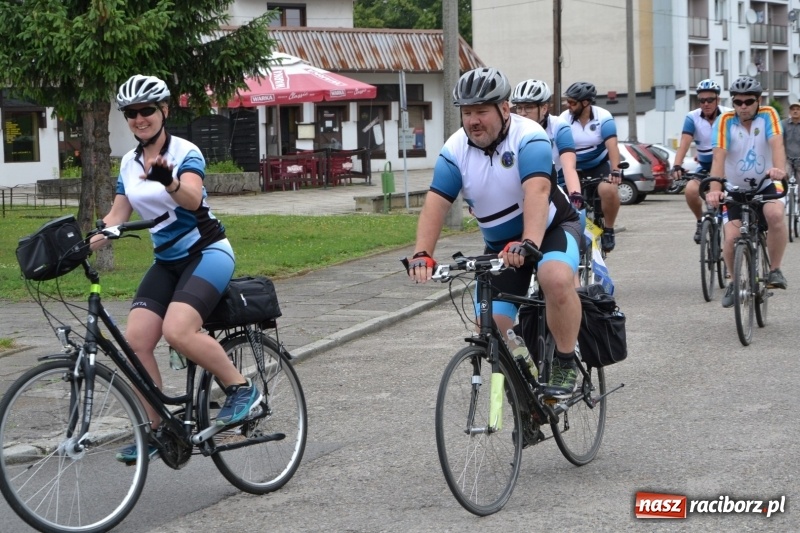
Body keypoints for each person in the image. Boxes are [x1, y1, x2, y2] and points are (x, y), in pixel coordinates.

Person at [90, 75, 262, 462]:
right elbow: (117, 216)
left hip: (207, 253)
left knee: (178, 330)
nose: (139, 118)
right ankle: (159, 433)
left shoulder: (186, 151)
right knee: (136, 341)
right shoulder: (129, 163)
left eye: (146, 110)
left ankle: (241, 388)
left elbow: (193, 198)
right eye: (131, 113)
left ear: (164, 110)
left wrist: (168, 180)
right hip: (167, 262)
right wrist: (81, 244)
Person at [406, 67, 583, 397]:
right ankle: (528, 391)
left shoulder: (529, 137)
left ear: (504, 109)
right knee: (492, 324)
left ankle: (564, 362)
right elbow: (436, 204)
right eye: (467, 112)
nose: (473, 120)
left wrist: (529, 243)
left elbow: (537, 192)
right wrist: (422, 253)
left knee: (556, 278)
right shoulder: (455, 150)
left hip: (551, 229)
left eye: (481, 111)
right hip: (501, 245)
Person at [705, 76, 788, 308]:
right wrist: (715, 190)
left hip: (766, 184)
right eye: (738, 102)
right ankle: (733, 281)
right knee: (731, 238)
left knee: (774, 215)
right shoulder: (724, 121)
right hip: (735, 188)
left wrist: (779, 170)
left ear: (758, 100)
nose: (743, 106)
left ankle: (775, 270)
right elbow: (718, 157)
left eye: (748, 101)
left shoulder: (768, 115)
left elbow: (777, 145)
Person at [559, 82, 623, 253]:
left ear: (586, 102)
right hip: (572, 167)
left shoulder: (603, 117)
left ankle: (608, 229)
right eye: (567, 101)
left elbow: (612, 146)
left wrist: (615, 170)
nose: (568, 105)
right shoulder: (564, 118)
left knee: (609, 190)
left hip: (598, 165)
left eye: (572, 102)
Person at [670, 79, 730, 243]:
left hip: (727, 165)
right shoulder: (692, 117)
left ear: (718, 99)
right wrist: (677, 165)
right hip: (704, 165)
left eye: (710, 100)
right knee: (690, 190)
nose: (706, 104)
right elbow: (684, 143)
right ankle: (700, 220)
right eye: (702, 100)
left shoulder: (729, 115)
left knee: (732, 197)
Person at [781, 102, 800, 179]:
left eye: (798, 109)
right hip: (787, 159)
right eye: (793, 109)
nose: (795, 111)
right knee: (782, 178)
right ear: (789, 112)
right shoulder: (783, 123)